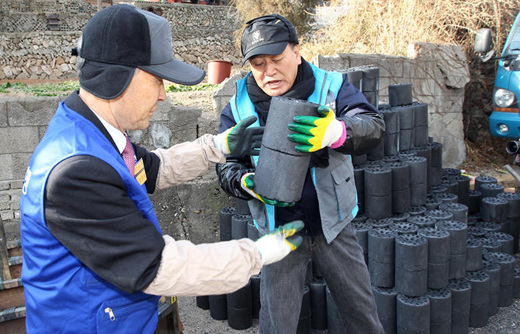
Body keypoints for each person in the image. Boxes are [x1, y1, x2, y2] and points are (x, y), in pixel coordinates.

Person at [19, 5, 303, 333]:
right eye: (156, 81)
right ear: (118, 75)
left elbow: (152, 169)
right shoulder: (74, 171)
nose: (164, 95)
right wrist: (256, 253)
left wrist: (219, 146)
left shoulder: (90, 131)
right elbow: (159, 267)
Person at [217, 14, 386, 333]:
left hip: (333, 226)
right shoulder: (239, 107)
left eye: (277, 58)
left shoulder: (331, 88)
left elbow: (372, 125)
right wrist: (242, 181)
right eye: (258, 64)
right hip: (280, 233)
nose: (269, 72)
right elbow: (226, 164)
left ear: (296, 51)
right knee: (276, 323)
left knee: (362, 315)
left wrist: (338, 132)